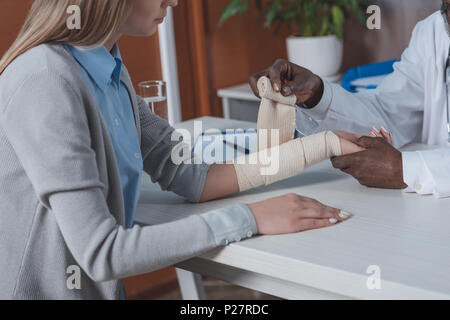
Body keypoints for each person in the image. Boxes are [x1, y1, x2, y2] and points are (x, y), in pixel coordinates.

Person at [0, 0, 362, 300]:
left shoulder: (109, 70)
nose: (173, 2)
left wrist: (323, 145)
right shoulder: (45, 81)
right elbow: (102, 253)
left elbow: (193, 176)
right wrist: (249, 218)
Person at [250, 1, 450, 198]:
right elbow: (389, 113)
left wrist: (406, 169)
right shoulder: (434, 31)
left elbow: (409, 167)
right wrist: (318, 95)